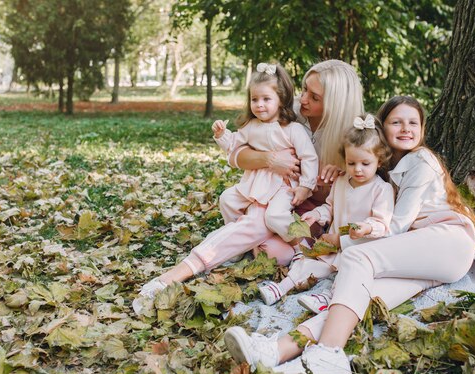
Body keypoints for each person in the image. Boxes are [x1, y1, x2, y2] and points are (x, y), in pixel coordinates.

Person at [224, 96, 475, 374]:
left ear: (422, 128)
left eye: (413, 122)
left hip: (446, 242)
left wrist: (338, 241)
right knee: (357, 297)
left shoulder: (420, 161)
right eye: (397, 122)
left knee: (358, 257)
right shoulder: (383, 165)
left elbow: (394, 228)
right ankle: (277, 350)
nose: (406, 128)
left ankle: (329, 353)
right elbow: (359, 183)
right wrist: (340, 173)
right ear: (383, 130)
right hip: (423, 257)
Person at [131, 60, 364, 315]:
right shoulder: (291, 111)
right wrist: (270, 160)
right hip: (275, 196)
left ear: (334, 104)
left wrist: (340, 175)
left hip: (308, 214)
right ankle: (176, 274)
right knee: (254, 223)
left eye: (314, 96)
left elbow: (362, 188)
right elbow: (237, 154)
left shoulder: (354, 136)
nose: (303, 98)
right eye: (304, 89)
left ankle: (217, 253)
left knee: (271, 248)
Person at [257, 113, 394, 305]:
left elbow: (383, 223)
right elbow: (330, 207)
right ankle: (281, 288)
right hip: (331, 246)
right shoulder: (341, 181)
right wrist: (316, 214)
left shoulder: (381, 189)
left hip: (359, 248)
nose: (358, 169)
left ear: (379, 161)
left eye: (365, 164)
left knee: (350, 274)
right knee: (308, 265)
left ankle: (328, 299)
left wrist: (368, 227)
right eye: (351, 163)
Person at [212, 63, 318, 246]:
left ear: (281, 99)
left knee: (275, 215)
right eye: (254, 99)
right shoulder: (251, 126)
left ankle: (301, 245)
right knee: (227, 199)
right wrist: (221, 135)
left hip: (283, 185)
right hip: (255, 181)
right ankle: (237, 239)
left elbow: (309, 157)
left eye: (266, 99)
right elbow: (233, 145)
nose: (259, 105)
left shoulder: (293, 129)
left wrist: (306, 186)